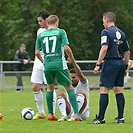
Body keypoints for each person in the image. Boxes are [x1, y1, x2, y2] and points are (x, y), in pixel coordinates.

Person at [35, 15, 82, 121]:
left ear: (47, 23)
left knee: (50, 88)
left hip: (47, 65)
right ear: (57, 23)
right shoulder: (61, 32)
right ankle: (76, 115)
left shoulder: (41, 35)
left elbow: (37, 52)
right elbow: (66, 48)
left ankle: (51, 114)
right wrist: (72, 60)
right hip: (60, 64)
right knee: (69, 87)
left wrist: (44, 62)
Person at [88, 12, 130, 124]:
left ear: (106, 20)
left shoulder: (105, 32)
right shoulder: (121, 33)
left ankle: (100, 118)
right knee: (118, 90)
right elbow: (127, 51)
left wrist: (98, 64)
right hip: (120, 63)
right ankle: (120, 118)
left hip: (110, 63)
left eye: (103, 21)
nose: (103, 24)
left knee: (104, 90)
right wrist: (125, 67)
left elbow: (104, 48)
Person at [30, 10, 57, 119]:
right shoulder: (39, 31)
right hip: (38, 61)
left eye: (40, 21)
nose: (39, 23)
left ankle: (52, 112)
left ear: (47, 20)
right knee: (35, 86)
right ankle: (41, 112)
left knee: (50, 87)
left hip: (49, 61)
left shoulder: (56, 31)